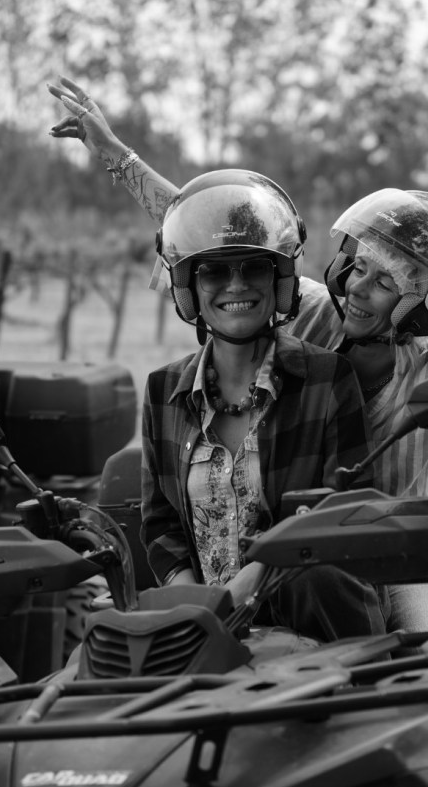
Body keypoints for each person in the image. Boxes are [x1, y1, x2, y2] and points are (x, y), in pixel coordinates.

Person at [47, 79, 428, 632]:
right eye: (358, 266)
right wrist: (116, 157)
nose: (359, 288)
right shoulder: (308, 314)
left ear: (427, 304)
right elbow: (218, 236)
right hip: (272, 556)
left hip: (391, 557)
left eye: (385, 282)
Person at [136, 169, 389, 643]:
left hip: (318, 631)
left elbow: (339, 512)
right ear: (189, 284)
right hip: (207, 637)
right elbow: (160, 523)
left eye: (253, 267)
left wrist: (244, 592)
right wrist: (196, 606)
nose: (236, 285)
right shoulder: (161, 390)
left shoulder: (327, 379)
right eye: (214, 270)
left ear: (280, 280)